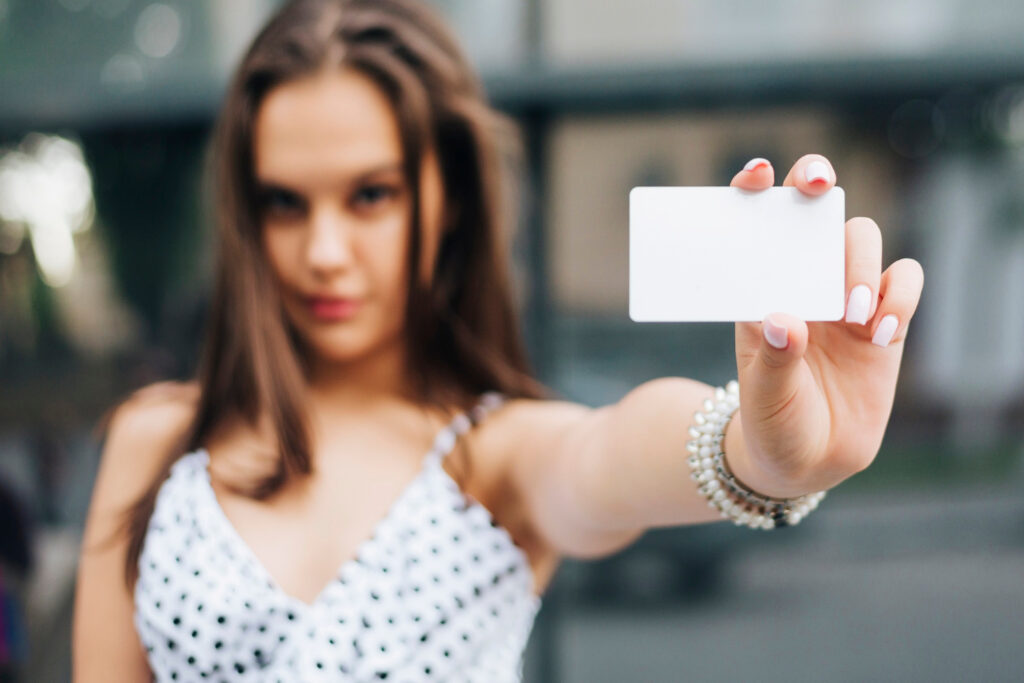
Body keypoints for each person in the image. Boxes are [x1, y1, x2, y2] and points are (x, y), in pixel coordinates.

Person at [71, 0, 925, 680]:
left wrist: (762, 454)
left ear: (449, 201)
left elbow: (608, 453)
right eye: (285, 202)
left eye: (371, 195)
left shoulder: (494, 456)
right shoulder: (157, 444)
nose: (323, 253)